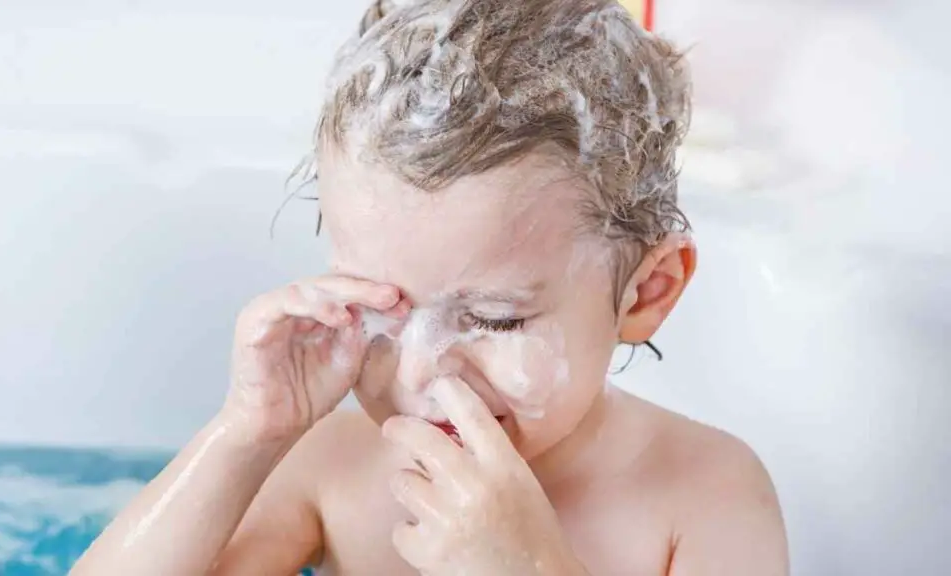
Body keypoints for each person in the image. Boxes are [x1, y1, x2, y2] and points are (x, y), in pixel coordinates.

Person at [71, 0, 789, 574]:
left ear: (648, 292)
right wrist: (243, 435)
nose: (419, 373)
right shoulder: (335, 466)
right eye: (380, 303)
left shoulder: (705, 494)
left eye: (495, 319)